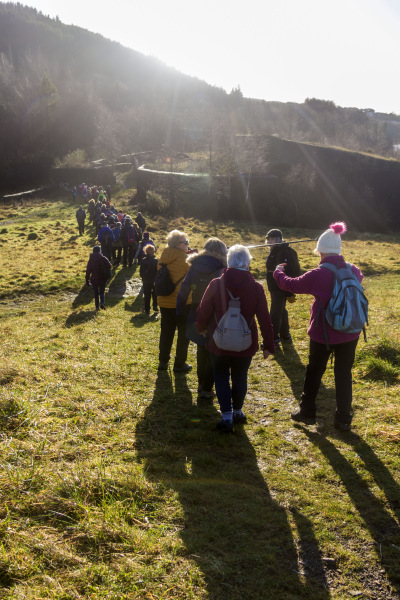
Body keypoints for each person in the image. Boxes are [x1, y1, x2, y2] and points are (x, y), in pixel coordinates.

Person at [273, 222, 363, 431]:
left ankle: (307, 412)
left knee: (314, 371)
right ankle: (343, 419)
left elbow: (290, 284)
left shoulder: (319, 273)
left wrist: (278, 272)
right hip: (351, 332)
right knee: (343, 374)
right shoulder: (354, 270)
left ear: (320, 250)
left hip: (324, 334)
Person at [195, 245, 275, 432]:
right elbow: (265, 318)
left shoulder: (216, 284)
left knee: (221, 376)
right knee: (241, 375)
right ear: (247, 264)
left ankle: (227, 416)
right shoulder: (256, 288)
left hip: (218, 341)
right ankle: (238, 411)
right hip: (245, 343)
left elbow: (204, 309)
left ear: (228, 262)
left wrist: (201, 327)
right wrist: (268, 344)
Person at [177, 237, 227, 399]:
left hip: (196, 309)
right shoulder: (222, 267)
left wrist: (180, 310)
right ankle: (206, 388)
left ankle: (201, 384)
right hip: (215, 311)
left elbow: (184, 289)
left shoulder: (195, 265)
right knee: (213, 349)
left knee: (201, 347)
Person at [157, 229, 192, 373]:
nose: (188, 245)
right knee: (183, 334)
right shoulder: (185, 260)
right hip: (182, 303)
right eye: (186, 242)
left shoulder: (163, 258)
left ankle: (163, 361)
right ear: (178, 244)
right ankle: (179, 364)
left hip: (164, 301)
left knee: (166, 332)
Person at [265, 228, 301, 348]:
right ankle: (285, 335)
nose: (269, 241)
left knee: (275, 312)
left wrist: (289, 291)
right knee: (281, 310)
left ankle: (273, 338)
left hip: (280, 287)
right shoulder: (274, 250)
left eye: (272, 239)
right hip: (273, 287)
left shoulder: (285, 252)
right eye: (268, 239)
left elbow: (291, 271)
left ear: (279, 239)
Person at [85, 245, 111, 310]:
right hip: (103, 278)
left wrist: (87, 279)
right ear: (100, 251)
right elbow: (110, 266)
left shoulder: (91, 259)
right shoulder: (103, 258)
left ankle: (97, 307)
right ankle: (102, 303)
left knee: (96, 293)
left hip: (94, 278)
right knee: (102, 292)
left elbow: (88, 270)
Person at [140, 244, 158, 315]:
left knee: (147, 295)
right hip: (154, 280)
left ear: (145, 251)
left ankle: (147, 309)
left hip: (146, 280)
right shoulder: (156, 261)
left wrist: (143, 277)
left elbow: (141, 271)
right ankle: (155, 305)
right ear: (154, 251)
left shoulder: (143, 261)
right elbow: (157, 271)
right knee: (155, 294)